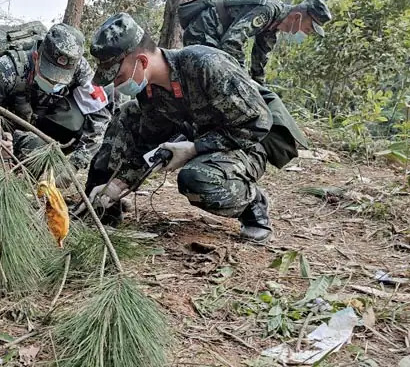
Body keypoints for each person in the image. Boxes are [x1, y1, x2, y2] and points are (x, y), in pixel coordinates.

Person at [82, 13, 307, 243]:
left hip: (249, 143)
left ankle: (253, 204)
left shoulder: (206, 65)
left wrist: (194, 149)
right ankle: (101, 206)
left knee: (195, 179)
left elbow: (257, 123)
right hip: (201, 137)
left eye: (118, 76)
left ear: (142, 61)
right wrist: (118, 185)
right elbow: (149, 144)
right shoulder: (150, 93)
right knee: (128, 113)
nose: (118, 85)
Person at [0, 23, 111, 187]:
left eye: (61, 79)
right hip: (11, 129)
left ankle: (49, 168)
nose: (54, 83)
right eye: (49, 76)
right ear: (37, 57)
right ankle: (17, 178)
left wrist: (73, 166)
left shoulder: (80, 69)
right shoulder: (6, 69)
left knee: (109, 100)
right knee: (35, 146)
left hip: (47, 122)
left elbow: (100, 118)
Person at [178, 0, 331, 84]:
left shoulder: (273, 28)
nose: (307, 33)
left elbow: (259, 62)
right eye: (308, 27)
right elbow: (231, 43)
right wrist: (243, 79)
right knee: (209, 80)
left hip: (216, 37)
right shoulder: (268, 10)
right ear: (297, 17)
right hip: (203, 30)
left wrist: (260, 90)